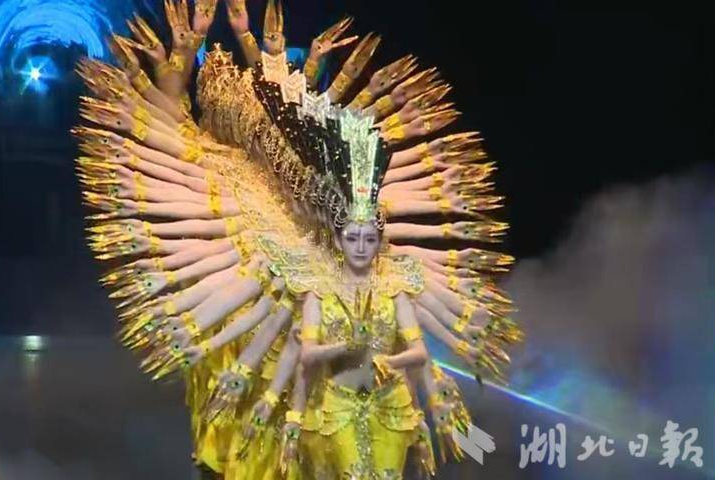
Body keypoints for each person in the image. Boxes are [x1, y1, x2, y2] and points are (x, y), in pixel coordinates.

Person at [73, 0, 523, 478]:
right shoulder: (212, 167)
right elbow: (174, 122)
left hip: (325, 315)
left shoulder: (356, 230)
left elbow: (289, 106)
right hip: (255, 261)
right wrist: (188, 50)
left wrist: (255, 43)